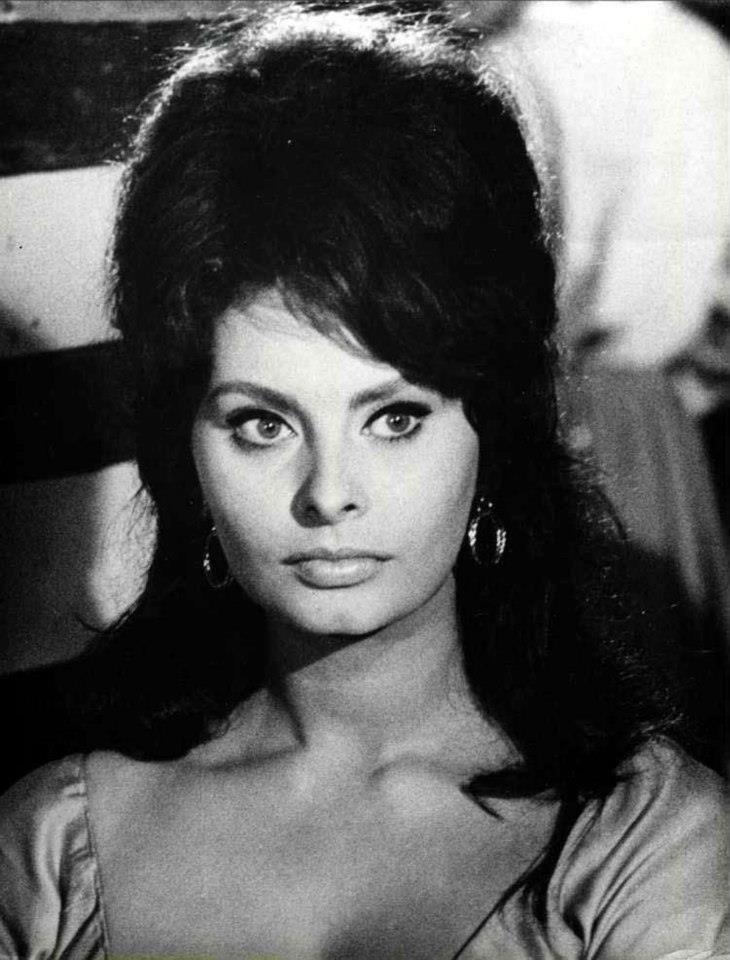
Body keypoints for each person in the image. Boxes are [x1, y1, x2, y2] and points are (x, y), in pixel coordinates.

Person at [0, 6, 726, 958]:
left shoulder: (641, 841)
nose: (329, 494)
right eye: (262, 425)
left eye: (394, 419)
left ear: (491, 428)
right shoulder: (51, 841)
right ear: (186, 451)